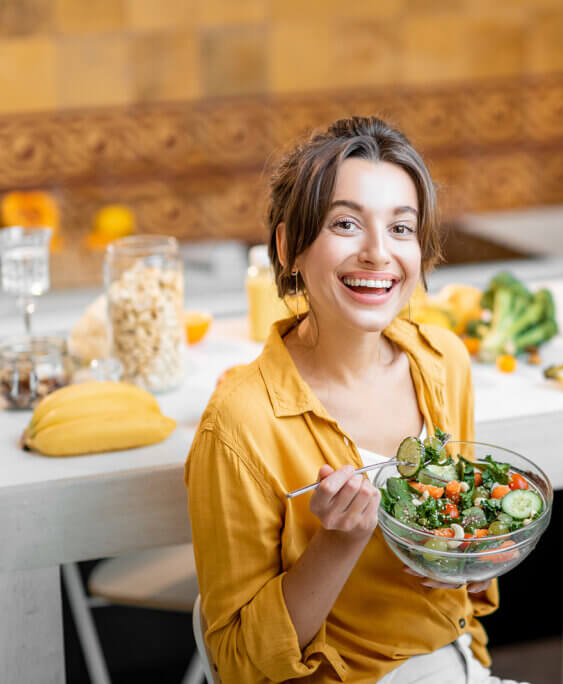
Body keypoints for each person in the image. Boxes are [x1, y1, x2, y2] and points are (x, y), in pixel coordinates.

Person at [185, 117, 521, 683]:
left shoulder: (442, 362)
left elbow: (465, 582)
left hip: (452, 666)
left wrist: (475, 561)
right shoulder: (241, 422)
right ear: (290, 247)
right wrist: (336, 544)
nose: (376, 253)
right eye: (346, 223)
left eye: (400, 228)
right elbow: (239, 663)